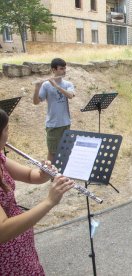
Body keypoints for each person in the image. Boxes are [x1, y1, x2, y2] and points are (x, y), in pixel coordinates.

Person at [0, 109, 74, 275]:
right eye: (6, 130)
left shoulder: (0, 158)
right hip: (6, 261)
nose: (8, 135)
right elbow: (2, 231)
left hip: (21, 251)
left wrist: (43, 173)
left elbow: (29, 175)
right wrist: (49, 201)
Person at [33, 58, 75, 162]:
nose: (64, 71)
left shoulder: (68, 84)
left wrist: (56, 86)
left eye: (65, 68)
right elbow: (36, 102)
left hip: (66, 123)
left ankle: (63, 174)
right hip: (53, 124)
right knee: (52, 152)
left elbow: (70, 95)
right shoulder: (46, 85)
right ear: (54, 70)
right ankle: (52, 176)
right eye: (61, 68)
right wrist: (37, 88)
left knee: (66, 151)